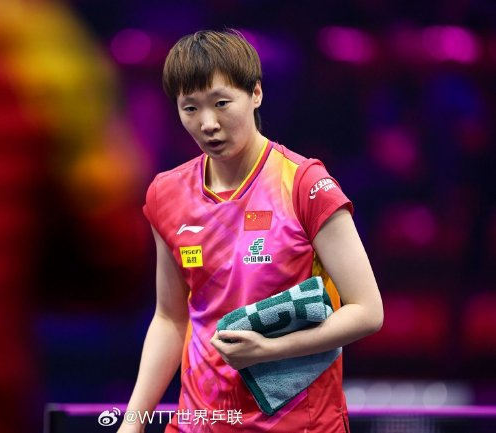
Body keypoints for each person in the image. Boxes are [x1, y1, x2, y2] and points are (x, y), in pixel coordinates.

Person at [117, 29, 383, 433]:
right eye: (190, 108)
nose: (208, 124)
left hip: (301, 424)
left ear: (255, 93)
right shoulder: (166, 194)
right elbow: (170, 318)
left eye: (221, 103)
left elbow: (367, 310)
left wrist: (270, 349)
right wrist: (132, 423)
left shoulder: (305, 184)